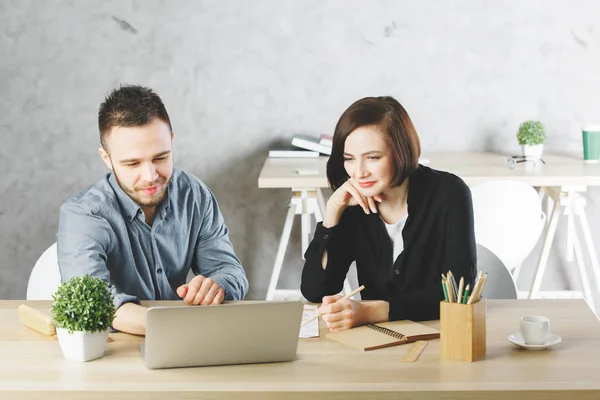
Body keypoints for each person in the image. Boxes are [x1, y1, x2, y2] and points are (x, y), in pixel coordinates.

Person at [57, 85, 248, 335]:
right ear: (107, 158)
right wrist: (178, 327)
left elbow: (230, 271)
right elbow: (92, 302)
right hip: (116, 352)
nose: (150, 176)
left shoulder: (194, 194)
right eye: (132, 163)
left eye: (160, 158)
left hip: (184, 341)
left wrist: (217, 285)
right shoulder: (83, 215)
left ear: (172, 142)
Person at [300, 96, 476, 331]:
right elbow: (316, 291)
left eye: (373, 158)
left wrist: (371, 311)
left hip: (442, 337)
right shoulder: (353, 204)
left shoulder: (450, 194)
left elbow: (458, 295)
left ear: (400, 151)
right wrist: (332, 212)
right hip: (376, 341)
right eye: (349, 159)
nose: (359, 172)